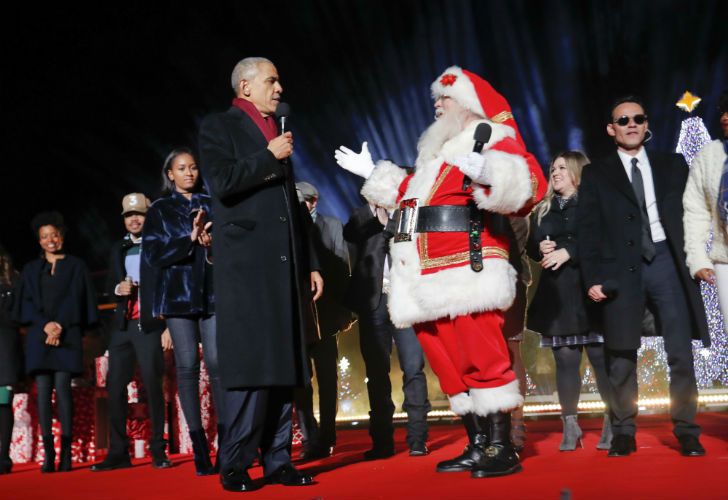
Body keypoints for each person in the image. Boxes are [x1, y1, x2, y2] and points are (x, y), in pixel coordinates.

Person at [336, 66, 546, 478]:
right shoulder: (436, 156)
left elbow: (528, 186)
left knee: (484, 358)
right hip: (424, 278)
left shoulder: (491, 138)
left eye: (444, 98)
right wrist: (372, 173)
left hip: (467, 272)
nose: (436, 104)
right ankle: (478, 442)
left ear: (466, 104)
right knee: (449, 365)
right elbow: (409, 196)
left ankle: (502, 447)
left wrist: (489, 174)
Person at [199, 57, 323, 492]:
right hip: (248, 269)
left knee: (285, 365)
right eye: (271, 80)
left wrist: (310, 263)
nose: (278, 87)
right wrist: (267, 156)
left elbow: (292, 206)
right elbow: (222, 181)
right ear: (246, 86)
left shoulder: (278, 132)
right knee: (253, 366)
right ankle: (233, 464)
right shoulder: (220, 126)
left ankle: (277, 460)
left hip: (285, 268)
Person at [577, 96, 710, 457]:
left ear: (647, 124)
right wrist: (592, 277)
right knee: (621, 354)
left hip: (668, 262)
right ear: (611, 128)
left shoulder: (673, 164)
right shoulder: (596, 173)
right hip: (620, 269)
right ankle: (623, 431)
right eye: (623, 119)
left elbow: (695, 213)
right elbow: (586, 231)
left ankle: (686, 429)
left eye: (638, 118)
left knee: (681, 352)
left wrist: (700, 257)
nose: (632, 124)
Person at [142, 148, 221, 476]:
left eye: (193, 167)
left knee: (218, 364)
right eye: (181, 168)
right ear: (170, 174)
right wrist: (189, 239)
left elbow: (230, 246)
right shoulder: (160, 208)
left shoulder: (211, 202)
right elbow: (154, 253)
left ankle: (230, 442)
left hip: (213, 296)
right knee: (187, 367)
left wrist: (211, 242)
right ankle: (199, 447)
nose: (189, 172)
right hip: (177, 299)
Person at [527, 151, 612, 451]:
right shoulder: (542, 209)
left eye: (562, 167)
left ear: (577, 171)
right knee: (565, 359)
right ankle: (570, 425)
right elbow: (531, 248)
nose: (555, 172)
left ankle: (612, 421)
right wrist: (540, 246)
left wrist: (569, 251)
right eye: (553, 168)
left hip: (589, 290)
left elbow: (603, 238)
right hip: (558, 295)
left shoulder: (593, 203)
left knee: (601, 359)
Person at [91, 194, 173, 472]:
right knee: (114, 388)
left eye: (139, 214)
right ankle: (118, 452)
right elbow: (110, 284)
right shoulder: (118, 248)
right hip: (122, 327)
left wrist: (168, 327)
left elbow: (170, 286)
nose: (134, 219)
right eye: (129, 215)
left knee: (153, 386)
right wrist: (117, 289)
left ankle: (158, 450)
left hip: (149, 326)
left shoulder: (159, 245)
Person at [343, 201, 431, 459]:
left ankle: (417, 439)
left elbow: (415, 246)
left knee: (413, 368)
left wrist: (389, 221)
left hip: (405, 301)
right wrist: (375, 216)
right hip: (374, 303)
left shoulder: (408, 214)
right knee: (376, 373)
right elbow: (350, 234)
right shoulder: (361, 215)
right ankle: (382, 442)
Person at [15, 212, 98, 472]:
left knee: (63, 390)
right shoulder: (30, 270)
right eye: (44, 237)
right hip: (40, 338)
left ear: (61, 236)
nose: (50, 240)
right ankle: (49, 454)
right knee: (42, 393)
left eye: (54, 234)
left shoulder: (76, 266)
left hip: (67, 334)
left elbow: (79, 300)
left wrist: (59, 325)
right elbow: (24, 303)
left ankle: (66, 454)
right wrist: (46, 326)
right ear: (39, 241)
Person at [294, 181, 352, 460]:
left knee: (328, 377)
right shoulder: (288, 225)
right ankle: (309, 436)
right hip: (298, 315)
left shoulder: (330, 225)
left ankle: (327, 435)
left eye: (301, 200)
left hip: (326, 314)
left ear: (313, 201)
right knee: (301, 378)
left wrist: (344, 312)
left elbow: (343, 269)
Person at [683, 90, 728, 323]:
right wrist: (698, 258)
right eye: (723, 111)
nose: (725, 117)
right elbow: (696, 211)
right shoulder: (708, 156)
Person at [0, 245, 20, 474]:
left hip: (4, 349)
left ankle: (3, 457)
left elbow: (17, 316)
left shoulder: (12, 280)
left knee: (3, 402)